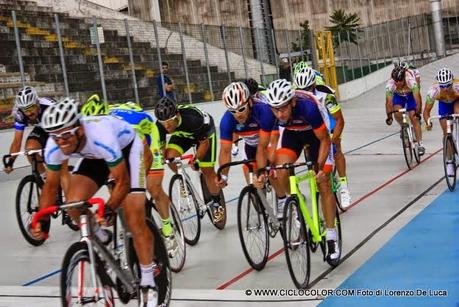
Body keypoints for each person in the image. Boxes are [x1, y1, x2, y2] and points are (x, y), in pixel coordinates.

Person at [31, 97, 158, 306]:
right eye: (55, 136)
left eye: (65, 135)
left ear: (79, 129)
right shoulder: (54, 146)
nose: (60, 141)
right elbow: (51, 187)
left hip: (127, 150)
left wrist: (108, 209)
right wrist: (42, 222)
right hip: (93, 157)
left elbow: (123, 182)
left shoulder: (101, 136)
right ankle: (100, 235)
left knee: (134, 216)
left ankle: (147, 280)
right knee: (73, 202)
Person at [81, 94, 179, 257]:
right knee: (116, 187)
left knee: (153, 187)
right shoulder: (92, 131)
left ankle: (168, 230)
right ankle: (127, 224)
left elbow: (144, 155)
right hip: (121, 143)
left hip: (145, 135)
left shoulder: (123, 125)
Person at [255, 79, 340, 261]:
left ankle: (331, 235)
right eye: (275, 109)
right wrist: (262, 171)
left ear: (293, 102)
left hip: (318, 136)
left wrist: (320, 167)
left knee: (323, 182)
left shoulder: (308, 107)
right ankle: (296, 199)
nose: (280, 113)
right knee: (280, 170)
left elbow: (325, 139)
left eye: (283, 108)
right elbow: (263, 146)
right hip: (293, 135)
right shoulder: (272, 113)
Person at [154, 97, 226, 225]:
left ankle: (216, 203)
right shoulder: (160, 125)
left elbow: (204, 144)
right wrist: (160, 158)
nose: (167, 126)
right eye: (163, 122)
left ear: (176, 115)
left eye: (169, 121)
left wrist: (196, 160)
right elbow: (161, 149)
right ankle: (183, 179)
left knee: (206, 169)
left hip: (204, 135)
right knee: (169, 157)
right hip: (183, 136)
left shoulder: (192, 119)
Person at [217, 82, 283, 214]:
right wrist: (223, 176)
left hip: (269, 140)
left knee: (270, 172)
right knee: (248, 169)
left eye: (241, 109)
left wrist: (263, 170)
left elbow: (263, 147)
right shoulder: (227, 120)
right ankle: (258, 196)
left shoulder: (263, 111)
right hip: (251, 144)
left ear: (250, 102)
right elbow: (225, 151)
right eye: (233, 111)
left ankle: (282, 200)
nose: (238, 114)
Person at [294, 66, 351, 209]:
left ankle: (344, 186)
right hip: (313, 126)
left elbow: (339, 120)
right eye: (301, 90)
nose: (304, 93)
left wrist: (332, 139)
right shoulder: (295, 97)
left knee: (336, 148)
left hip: (329, 122)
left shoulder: (326, 95)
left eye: (307, 89)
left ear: (313, 85)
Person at [3, 86, 54, 174]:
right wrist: (10, 162)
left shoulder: (49, 107)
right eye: (25, 110)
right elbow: (17, 142)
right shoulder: (20, 114)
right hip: (41, 129)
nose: (29, 113)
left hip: (56, 129)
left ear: (37, 102)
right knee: (30, 150)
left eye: (31, 108)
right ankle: (44, 177)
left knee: (53, 159)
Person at [423, 68, 459, 176]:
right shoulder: (433, 91)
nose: (446, 88)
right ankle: (450, 162)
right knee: (446, 133)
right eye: (443, 86)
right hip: (444, 105)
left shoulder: (457, 86)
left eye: (448, 85)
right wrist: (428, 122)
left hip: (457, 101)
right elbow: (426, 111)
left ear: (452, 82)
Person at [385, 65, 425, 155]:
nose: (398, 83)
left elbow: (418, 99)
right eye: (396, 81)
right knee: (397, 112)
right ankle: (403, 127)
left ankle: (420, 144)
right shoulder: (390, 84)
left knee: (414, 118)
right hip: (399, 96)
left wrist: (418, 113)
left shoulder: (410, 80)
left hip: (411, 95)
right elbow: (388, 102)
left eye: (400, 80)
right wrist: (389, 116)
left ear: (404, 77)